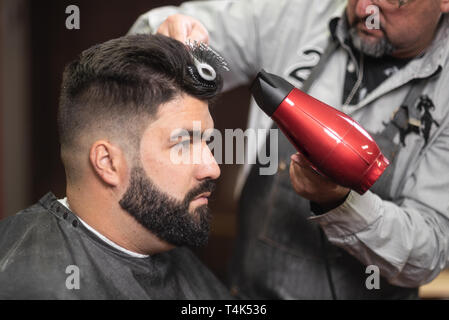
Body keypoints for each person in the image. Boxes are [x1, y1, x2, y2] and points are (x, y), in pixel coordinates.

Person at [129, 0, 449, 299]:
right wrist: (166, 40)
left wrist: (340, 202)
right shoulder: (298, 11)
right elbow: (150, 40)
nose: (366, 8)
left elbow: (429, 252)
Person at [0, 34, 232, 299]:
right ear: (108, 163)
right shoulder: (28, 285)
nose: (212, 168)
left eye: (206, 142)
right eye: (182, 144)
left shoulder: (168, 241)